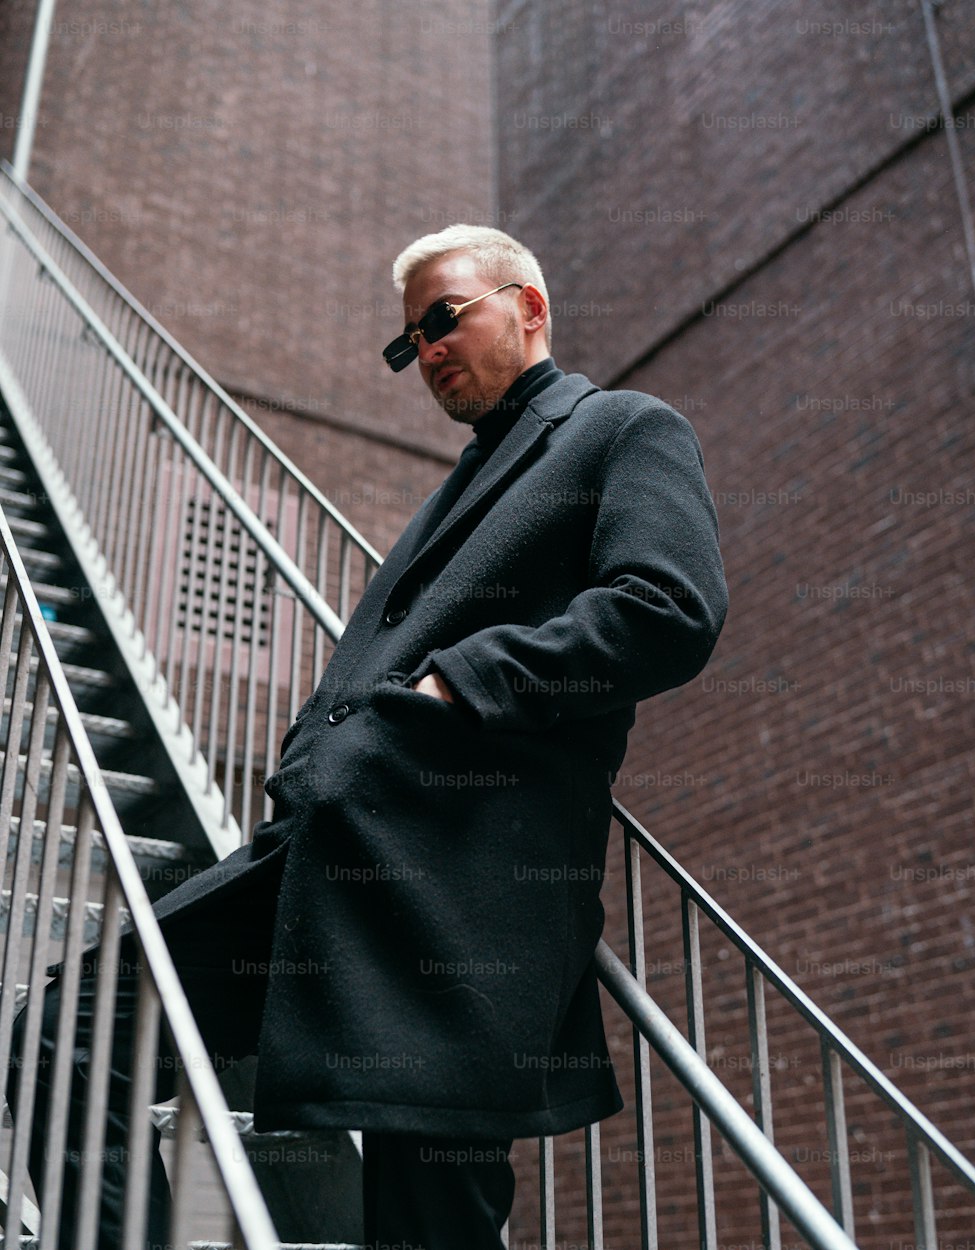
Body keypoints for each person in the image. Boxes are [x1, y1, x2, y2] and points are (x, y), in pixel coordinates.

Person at [9, 224, 728, 1249]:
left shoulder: (621, 429)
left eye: (443, 319)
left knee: (428, 1219)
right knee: (63, 1041)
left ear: (529, 305)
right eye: (409, 343)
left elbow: (667, 606)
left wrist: (457, 682)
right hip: (322, 859)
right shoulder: (458, 488)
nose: (426, 352)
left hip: (454, 897)